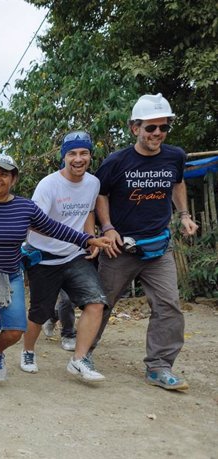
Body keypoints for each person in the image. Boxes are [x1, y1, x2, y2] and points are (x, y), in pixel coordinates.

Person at [0, 153, 111, 391]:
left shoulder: (25, 207)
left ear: (13, 179)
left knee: (16, 329)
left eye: (4, 174)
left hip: (10, 275)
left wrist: (87, 240)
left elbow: (54, 228)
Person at [94, 93, 198, 391]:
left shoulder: (175, 156)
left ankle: (159, 366)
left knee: (169, 307)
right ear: (134, 128)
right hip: (121, 248)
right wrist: (108, 227)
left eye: (162, 128)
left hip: (158, 247)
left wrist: (184, 215)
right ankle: (83, 353)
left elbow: (177, 182)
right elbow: (100, 194)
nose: (157, 134)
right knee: (101, 304)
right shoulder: (116, 162)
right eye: (150, 128)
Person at [20, 131, 109, 382]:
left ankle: (79, 360)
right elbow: (33, 223)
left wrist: (90, 237)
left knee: (96, 301)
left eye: (83, 153)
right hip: (44, 257)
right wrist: (82, 238)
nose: (78, 159)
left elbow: (89, 211)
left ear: (90, 156)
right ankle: (27, 351)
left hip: (75, 256)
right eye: (72, 153)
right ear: (64, 157)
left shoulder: (93, 183)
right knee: (40, 311)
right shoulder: (49, 185)